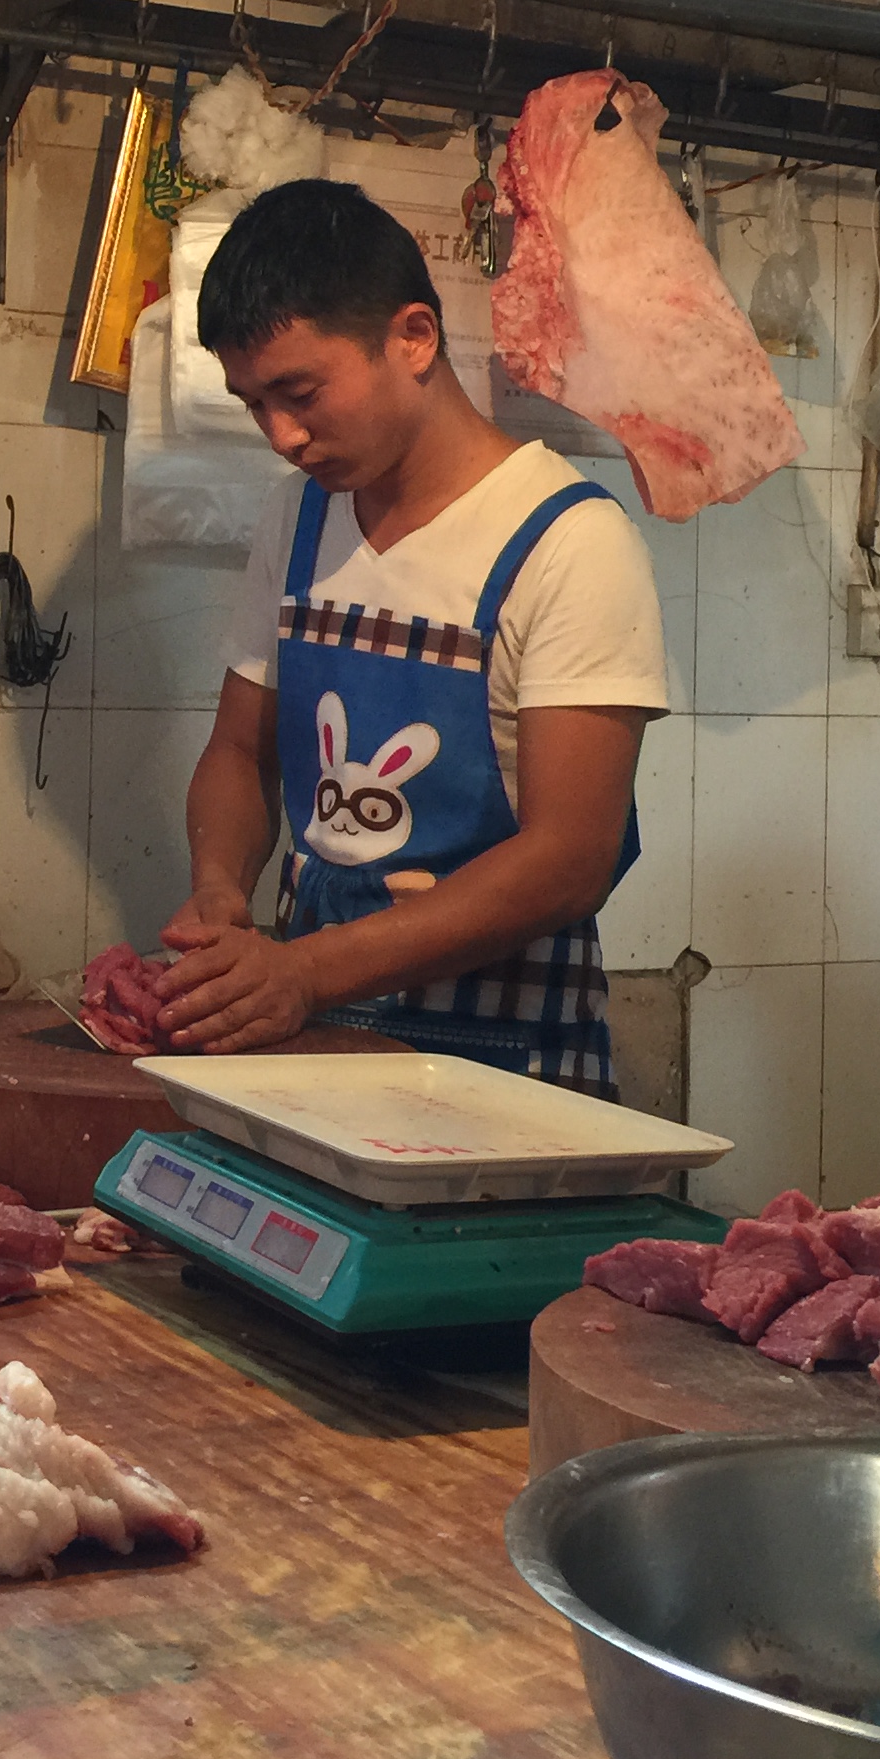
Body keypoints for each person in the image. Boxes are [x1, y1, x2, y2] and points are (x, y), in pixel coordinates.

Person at [158, 179, 667, 1089]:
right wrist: (220, 891)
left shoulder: (568, 540)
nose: (282, 435)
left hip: (512, 1065)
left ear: (414, 338)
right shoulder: (299, 520)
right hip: (313, 1037)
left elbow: (569, 859)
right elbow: (240, 751)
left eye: (300, 392)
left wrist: (306, 970)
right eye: (252, 403)